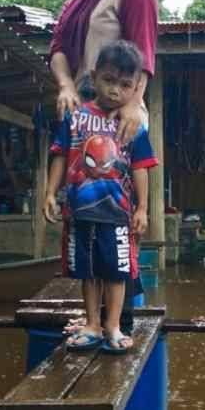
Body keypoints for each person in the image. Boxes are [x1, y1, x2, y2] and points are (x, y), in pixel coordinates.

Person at [49, 0, 159, 333]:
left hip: (121, 117)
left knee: (117, 218)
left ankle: (121, 322)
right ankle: (95, 320)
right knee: (84, 217)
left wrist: (134, 102)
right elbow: (58, 48)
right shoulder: (76, 1)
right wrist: (65, 86)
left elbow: (144, 48)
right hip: (84, 117)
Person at [44, 42, 158, 354]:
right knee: (88, 271)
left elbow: (141, 168)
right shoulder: (75, 117)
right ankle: (93, 323)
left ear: (135, 88)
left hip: (117, 214)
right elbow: (59, 155)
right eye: (109, 81)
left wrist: (143, 209)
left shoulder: (132, 125)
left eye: (125, 85)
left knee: (117, 272)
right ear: (94, 77)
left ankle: (113, 325)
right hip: (79, 213)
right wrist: (50, 193)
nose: (115, 91)